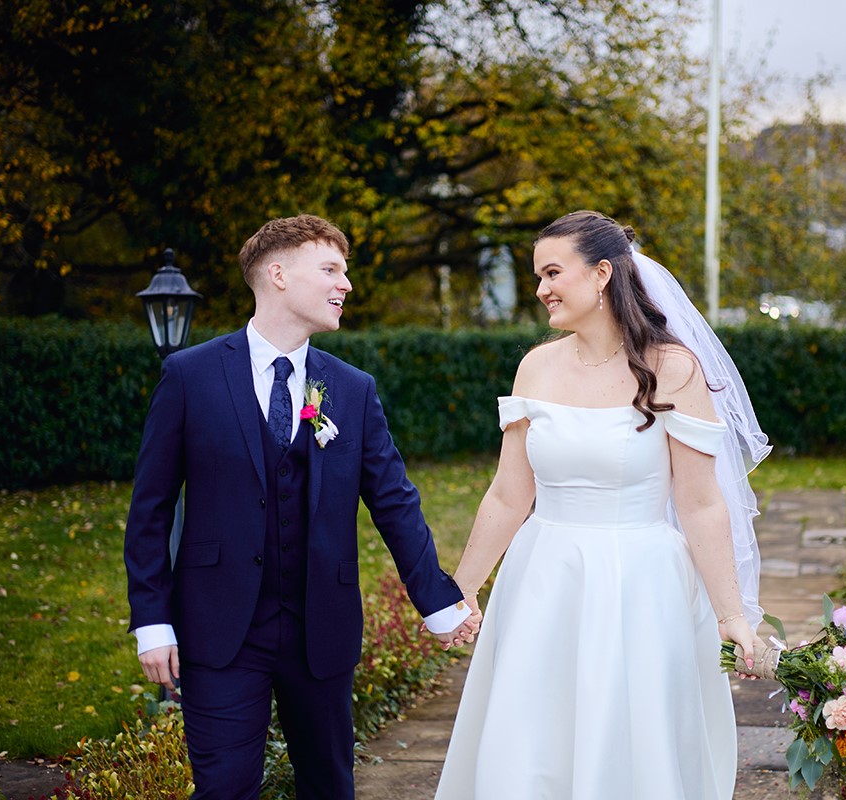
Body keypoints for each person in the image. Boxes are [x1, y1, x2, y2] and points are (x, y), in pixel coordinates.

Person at [124, 214, 480, 800]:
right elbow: (150, 510)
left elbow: (394, 501)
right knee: (225, 789)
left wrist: (437, 601)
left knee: (329, 786)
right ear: (278, 273)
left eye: (346, 272)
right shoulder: (190, 376)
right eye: (331, 269)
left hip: (323, 628)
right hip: (218, 630)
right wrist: (152, 620)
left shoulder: (353, 388)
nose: (346, 285)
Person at [434, 210, 772, 799]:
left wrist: (732, 614)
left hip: (640, 584)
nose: (541, 289)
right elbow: (510, 493)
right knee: (533, 735)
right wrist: (460, 589)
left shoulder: (673, 370)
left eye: (553, 272)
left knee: (629, 739)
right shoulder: (535, 367)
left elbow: (700, 505)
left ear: (602, 275)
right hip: (544, 577)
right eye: (538, 275)